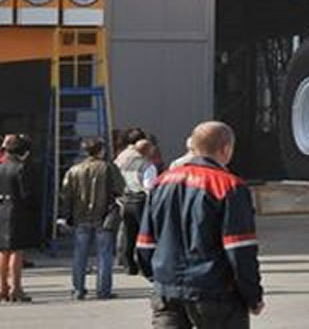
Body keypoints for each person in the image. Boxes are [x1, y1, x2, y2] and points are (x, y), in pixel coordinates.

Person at [139, 121, 264, 327]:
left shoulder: (161, 183)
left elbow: (145, 243)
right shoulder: (229, 186)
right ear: (226, 149)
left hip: (167, 291)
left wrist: (159, 279)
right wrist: (253, 294)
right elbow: (240, 249)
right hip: (216, 293)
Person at [60, 137, 125, 300]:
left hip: (80, 216)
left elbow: (66, 195)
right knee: (104, 255)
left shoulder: (74, 170)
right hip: (104, 216)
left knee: (79, 254)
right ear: (101, 150)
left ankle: (78, 289)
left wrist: (66, 215)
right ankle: (104, 290)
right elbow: (120, 189)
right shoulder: (109, 168)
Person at [0, 135, 40, 303]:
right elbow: (27, 194)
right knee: (17, 250)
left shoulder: (1, 167)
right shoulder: (21, 168)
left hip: (2, 209)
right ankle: (17, 288)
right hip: (18, 212)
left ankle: (2, 288)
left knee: (3, 251)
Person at [115, 138, 158, 276]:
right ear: (147, 150)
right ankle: (143, 265)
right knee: (144, 235)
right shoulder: (147, 166)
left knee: (129, 234)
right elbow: (149, 187)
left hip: (126, 200)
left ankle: (129, 265)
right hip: (141, 201)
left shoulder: (127, 164)